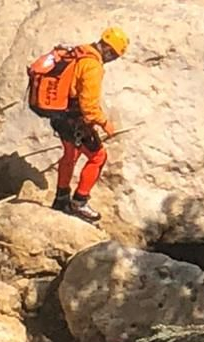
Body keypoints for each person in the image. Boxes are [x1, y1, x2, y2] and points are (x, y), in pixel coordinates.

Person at [48, 27, 128, 222]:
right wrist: (104, 123)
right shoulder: (92, 66)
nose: (112, 59)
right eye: (113, 55)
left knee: (70, 155)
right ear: (107, 49)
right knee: (98, 157)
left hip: (59, 114)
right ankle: (79, 202)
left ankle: (61, 199)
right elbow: (89, 107)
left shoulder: (80, 51)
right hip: (74, 118)